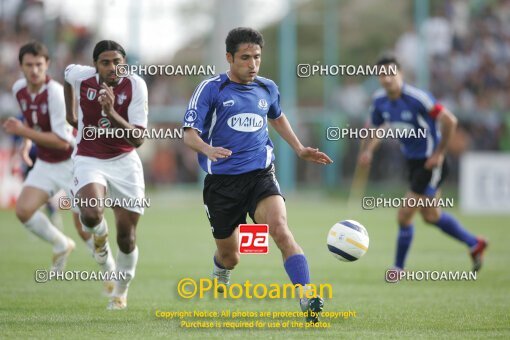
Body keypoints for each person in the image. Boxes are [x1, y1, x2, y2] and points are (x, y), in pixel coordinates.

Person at [182, 27, 333, 323]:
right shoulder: (211, 89)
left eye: (257, 58)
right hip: (222, 185)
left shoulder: (267, 88)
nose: (253, 64)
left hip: (260, 176)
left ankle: (306, 295)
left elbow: (276, 117)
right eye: (245, 58)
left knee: (279, 229)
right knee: (231, 256)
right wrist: (207, 149)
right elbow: (189, 135)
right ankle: (220, 270)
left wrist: (300, 148)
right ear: (229, 58)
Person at [358, 53, 488, 273]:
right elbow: (379, 127)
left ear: (400, 74)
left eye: (391, 73)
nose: (387, 78)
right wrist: (369, 150)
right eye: (382, 75)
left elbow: (450, 120)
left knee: (404, 214)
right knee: (431, 216)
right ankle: (475, 243)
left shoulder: (418, 98)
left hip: (430, 163)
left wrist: (439, 153)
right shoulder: (380, 101)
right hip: (413, 162)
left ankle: (398, 268)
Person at [2, 41, 107, 275]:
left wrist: (23, 133)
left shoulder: (56, 93)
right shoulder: (20, 89)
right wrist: (27, 142)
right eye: (29, 65)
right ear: (21, 66)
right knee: (23, 210)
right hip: (47, 163)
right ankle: (61, 243)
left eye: (39, 64)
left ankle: (109, 269)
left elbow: (61, 140)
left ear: (47, 64)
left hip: (72, 162)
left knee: (84, 226)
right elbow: (32, 119)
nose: (34, 70)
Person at [64, 40, 148, 310]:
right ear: (96, 65)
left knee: (127, 237)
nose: (113, 68)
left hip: (125, 160)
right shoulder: (83, 78)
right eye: (106, 62)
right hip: (89, 157)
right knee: (90, 215)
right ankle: (100, 244)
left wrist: (111, 113)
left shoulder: (136, 85)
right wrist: (70, 114)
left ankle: (120, 293)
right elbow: (66, 76)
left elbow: (138, 139)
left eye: (118, 62)